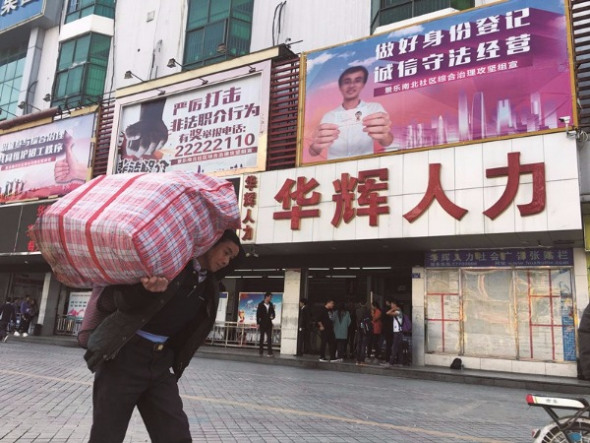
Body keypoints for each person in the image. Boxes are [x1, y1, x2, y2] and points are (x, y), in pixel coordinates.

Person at [83, 229, 243, 443]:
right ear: (210, 243)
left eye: (231, 257)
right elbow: (112, 301)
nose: (226, 260)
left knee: (176, 435)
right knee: (107, 435)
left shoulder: (209, 286)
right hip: (123, 357)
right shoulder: (169, 265)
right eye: (226, 251)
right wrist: (145, 290)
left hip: (160, 364)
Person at [308, 65, 394, 160]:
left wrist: (384, 135)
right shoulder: (329, 116)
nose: (352, 85)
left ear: (363, 84)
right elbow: (313, 152)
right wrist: (317, 144)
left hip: (365, 168)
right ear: (340, 86)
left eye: (357, 80)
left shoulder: (374, 108)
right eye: (347, 82)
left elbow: (387, 142)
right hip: (335, 171)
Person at [256, 292, 276, 357]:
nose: (270, 298)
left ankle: (269, 352)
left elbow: (273, 313)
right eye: (270, 297)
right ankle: (260, 351)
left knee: (269, 338)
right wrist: (258, 323)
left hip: (269, 324)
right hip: (262, 323)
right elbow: (258, 314)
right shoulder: (261, 304)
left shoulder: (271, 304)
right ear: (266, 297)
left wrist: (273, 316)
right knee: (261, 338)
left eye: (271, 297)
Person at [355, 301, 372, 366]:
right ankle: (362, 360)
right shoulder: (367, 311)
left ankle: (357, 360)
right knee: (363, 345)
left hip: (359, 328)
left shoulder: (357, 311)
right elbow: (370, 319)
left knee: (359, 344)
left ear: (360, 303)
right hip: (365, 330)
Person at [382, 298, 394, 363]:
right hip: (391, 329)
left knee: (388, 345)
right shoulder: (392, 310)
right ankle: (389, 358)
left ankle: (388, 359)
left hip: (387, 329)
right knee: (390, 344)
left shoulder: (385, 310)